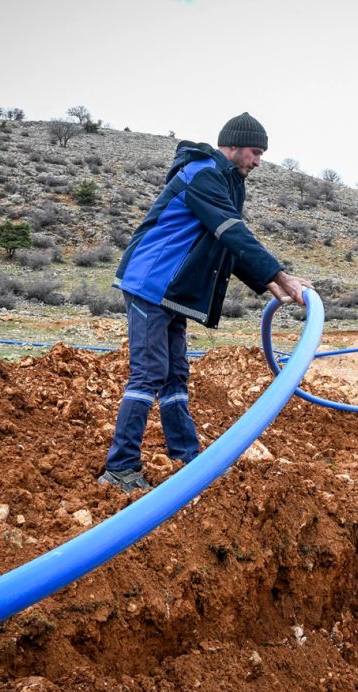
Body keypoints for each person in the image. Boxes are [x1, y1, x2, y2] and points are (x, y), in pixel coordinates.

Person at [99, 112, 312, 491]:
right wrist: (279, 275)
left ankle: (186, 456)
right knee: (149, 373)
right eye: (255, 151)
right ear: (231, 145)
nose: (259, 161)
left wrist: (271, 284)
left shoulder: (230, 184)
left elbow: (229, 246)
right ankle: (119, 469)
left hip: (173, 290)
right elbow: (232, 231)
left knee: (176, 375)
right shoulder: (203, 172)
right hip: (150, 281)